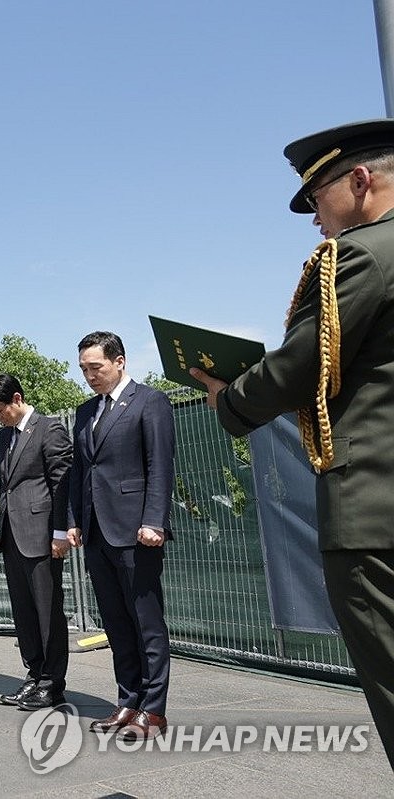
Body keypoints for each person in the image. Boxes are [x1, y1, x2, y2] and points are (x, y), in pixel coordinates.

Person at [191, 119, 394, 771]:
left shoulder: (362, 254)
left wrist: (229, 399)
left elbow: (302, 361)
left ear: (360, 181)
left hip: (376, 515)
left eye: (317, 199)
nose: (314, 220)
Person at [67, 331, 175, 741]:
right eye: (84, 369)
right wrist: (75, 519)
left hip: (136, 532)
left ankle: (154, 710)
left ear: (120, 361)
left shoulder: (151, 402)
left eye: (96, 367)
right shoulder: (85, 411)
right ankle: (128, 702)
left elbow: (159, 465)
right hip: (96, 532)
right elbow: (81, 471)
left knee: (146, 622)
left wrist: (155, 521)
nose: (90, 376)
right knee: (115, 623)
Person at [0, 374, 73, 710]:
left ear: (17, 399)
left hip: (43, 535)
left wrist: (61, 531)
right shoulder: (4, 437)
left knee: (48, 613)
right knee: (24, 613)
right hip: (12, 535)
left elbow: (62, 483)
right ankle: (33, 676)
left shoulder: (50, 429)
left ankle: (52, 684)